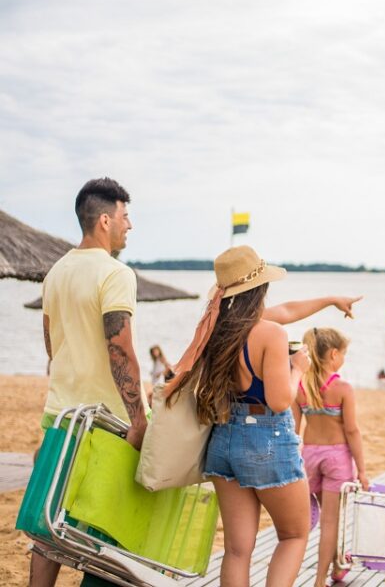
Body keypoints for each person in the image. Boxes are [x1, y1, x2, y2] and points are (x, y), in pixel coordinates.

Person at [166, 245, 318, 586]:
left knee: (237, 550)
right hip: (266, 440)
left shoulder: (214, 330)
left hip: (223, 440)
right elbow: (280, 402)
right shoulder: (271, 333)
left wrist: (331, 299)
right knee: (294, 535)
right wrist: (297, 369)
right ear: (260, 288)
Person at [31, 178, 150, 587]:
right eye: (124, 216)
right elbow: (120, 350)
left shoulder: (56, 272)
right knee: (105, 535)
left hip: (59, 417)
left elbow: (51, 343)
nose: (129, 225)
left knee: (48, 531)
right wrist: (138, 417)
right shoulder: (116, 273)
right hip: (105, 424)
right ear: (104, 220)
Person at [296, 327, 368, 587]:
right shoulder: (342, 389)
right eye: (344, 353)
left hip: (309, 459)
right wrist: (362, 470)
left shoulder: (300, 387)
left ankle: (338, 566)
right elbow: (352, 430)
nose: (344, 358)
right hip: (336, 460)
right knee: (331, 523)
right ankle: (319, 580)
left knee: (318, 520)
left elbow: (294, 432)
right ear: (334, 354)